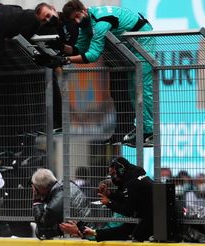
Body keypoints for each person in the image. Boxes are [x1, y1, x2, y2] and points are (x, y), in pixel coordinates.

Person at [56, 0, 153, 146]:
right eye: (73, 20)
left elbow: (93, 55)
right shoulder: (86, 24)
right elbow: (80, 49)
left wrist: (64, 60)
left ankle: (150, 132)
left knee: (143, 86)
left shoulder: (101, 22)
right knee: (134, 90)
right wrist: (61, 48)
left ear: (84, 10)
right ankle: (143, 128)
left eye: (77, 16)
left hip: (143, 39)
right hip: (132, 42)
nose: (76, 21)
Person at [61, 157, 154, 241]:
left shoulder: (132, 184)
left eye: (114, 174)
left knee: (137, 237)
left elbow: (126, 213)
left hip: (150, 219)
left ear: (121, 171)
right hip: (151, 217)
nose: (114, 178)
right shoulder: (136, 180)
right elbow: (127, 200)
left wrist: (109, 202)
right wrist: (110, 195)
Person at [30, 168, 90, 239]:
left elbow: (42, 224)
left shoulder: (58, 199)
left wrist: (37, 200)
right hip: (86, 229)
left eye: (35, 188)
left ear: (42, 188)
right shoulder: (66, 185)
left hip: (86, 234)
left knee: (43, 232)